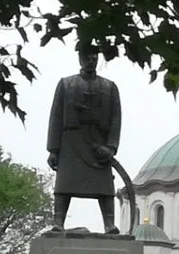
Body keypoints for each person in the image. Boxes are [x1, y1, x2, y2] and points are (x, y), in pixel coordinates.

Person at [46, 43, 122, 233]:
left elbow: (115, 120)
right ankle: (58, 222)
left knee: (105, 186)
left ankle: (109, 224)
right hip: (71, 141)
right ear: (80, 58)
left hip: (99, 144)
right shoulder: (66, 84)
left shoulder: (109, 87)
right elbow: (55, 117)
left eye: (94, 57)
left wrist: (111, 148)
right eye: (87, 57)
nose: (91, 60)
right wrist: (53, 150)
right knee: (64, 184)